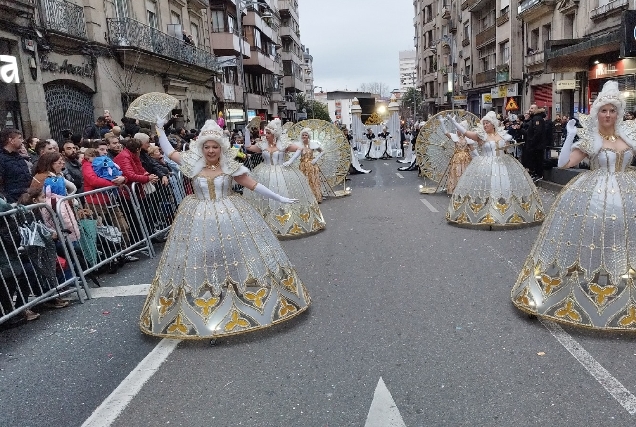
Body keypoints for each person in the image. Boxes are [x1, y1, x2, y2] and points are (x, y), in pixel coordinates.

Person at [140, 118, 310, 339]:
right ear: (201, 147)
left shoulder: (230, 166)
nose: (211, 150)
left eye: (215, 146)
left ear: (222, 147)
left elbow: (253, 184)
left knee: (233, 252)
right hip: (198, 216)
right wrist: (160, 129)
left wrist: (279, 197)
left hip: (229, 213)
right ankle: (210, 292)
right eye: (207, 146)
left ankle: (237, 291)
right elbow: (170, 152)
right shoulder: (193, 164)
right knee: (202, 255)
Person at [511, 81, 636, 329]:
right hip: (596, 197)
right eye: (603, 110)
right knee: (595, 238)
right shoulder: (590, 140)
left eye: (612, 110)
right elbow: (565, 163)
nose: (608, 115)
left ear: (618, 113)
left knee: (625, 239)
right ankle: (593, 284)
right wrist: (569, 135)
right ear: (597, 113)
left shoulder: (629, 136)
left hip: (628, 196)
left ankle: (624, 285)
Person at [446, 111, 544, 227]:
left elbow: (508, 149)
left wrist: (510, 147)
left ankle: (505, 211)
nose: (485, 125)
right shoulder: (481, 136)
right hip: (485, 164)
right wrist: (454, 123)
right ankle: (483, 211)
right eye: (484, 123)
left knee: (502, 185)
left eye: (487, 123)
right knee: (485, 187)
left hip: (503, 163)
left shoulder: (503, 134)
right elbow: (465, 132)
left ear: (493, 124)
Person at [243, 118, 326, 238]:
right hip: (264, 172)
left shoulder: (283, 144)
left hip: (282, 172)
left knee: (282, 192)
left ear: (274, 134)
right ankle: (266, 222)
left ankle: (286, 219)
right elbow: (248, 147)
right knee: (265, 197)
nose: (266, 135)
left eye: (268, 133)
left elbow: (300, 149)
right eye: (266, 133)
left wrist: (291, 160)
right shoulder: (263, 145)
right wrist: (246, 131)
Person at [438, 116, 476, 194]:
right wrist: (442, 123)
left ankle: (465, 190)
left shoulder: (468, 139)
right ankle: (456, 189)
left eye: (459, 129)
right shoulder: (455, 137)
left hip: (466, 159)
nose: (457, 130)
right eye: (457, 129)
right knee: (456, 172)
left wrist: (479, 157)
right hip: (457, 158)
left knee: (465, 173)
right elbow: (446, 133)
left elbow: (473, 149)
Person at [526, 104, 548, 181]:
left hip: (537, 145)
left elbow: (537, 132)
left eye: (532, 108)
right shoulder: (534, 118)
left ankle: (539, 174)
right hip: (535, 145)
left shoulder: (537, 118)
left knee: (538, 160)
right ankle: (535, 173)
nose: (530, 110)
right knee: (534, 160)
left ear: (536, 109)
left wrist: (532, 142)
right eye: (530, 108)